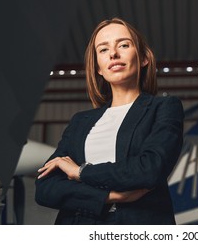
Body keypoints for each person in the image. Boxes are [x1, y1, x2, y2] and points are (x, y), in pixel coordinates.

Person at [35, 17, 184, 225]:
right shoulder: (80, 122)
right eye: (103, 49)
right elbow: (45, 188)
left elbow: (149, 170)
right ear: (98, 67)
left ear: (143, 58)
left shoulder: (164, 108)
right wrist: (109, 197)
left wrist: (80, 172)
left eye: (123, 45)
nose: (113, 53)